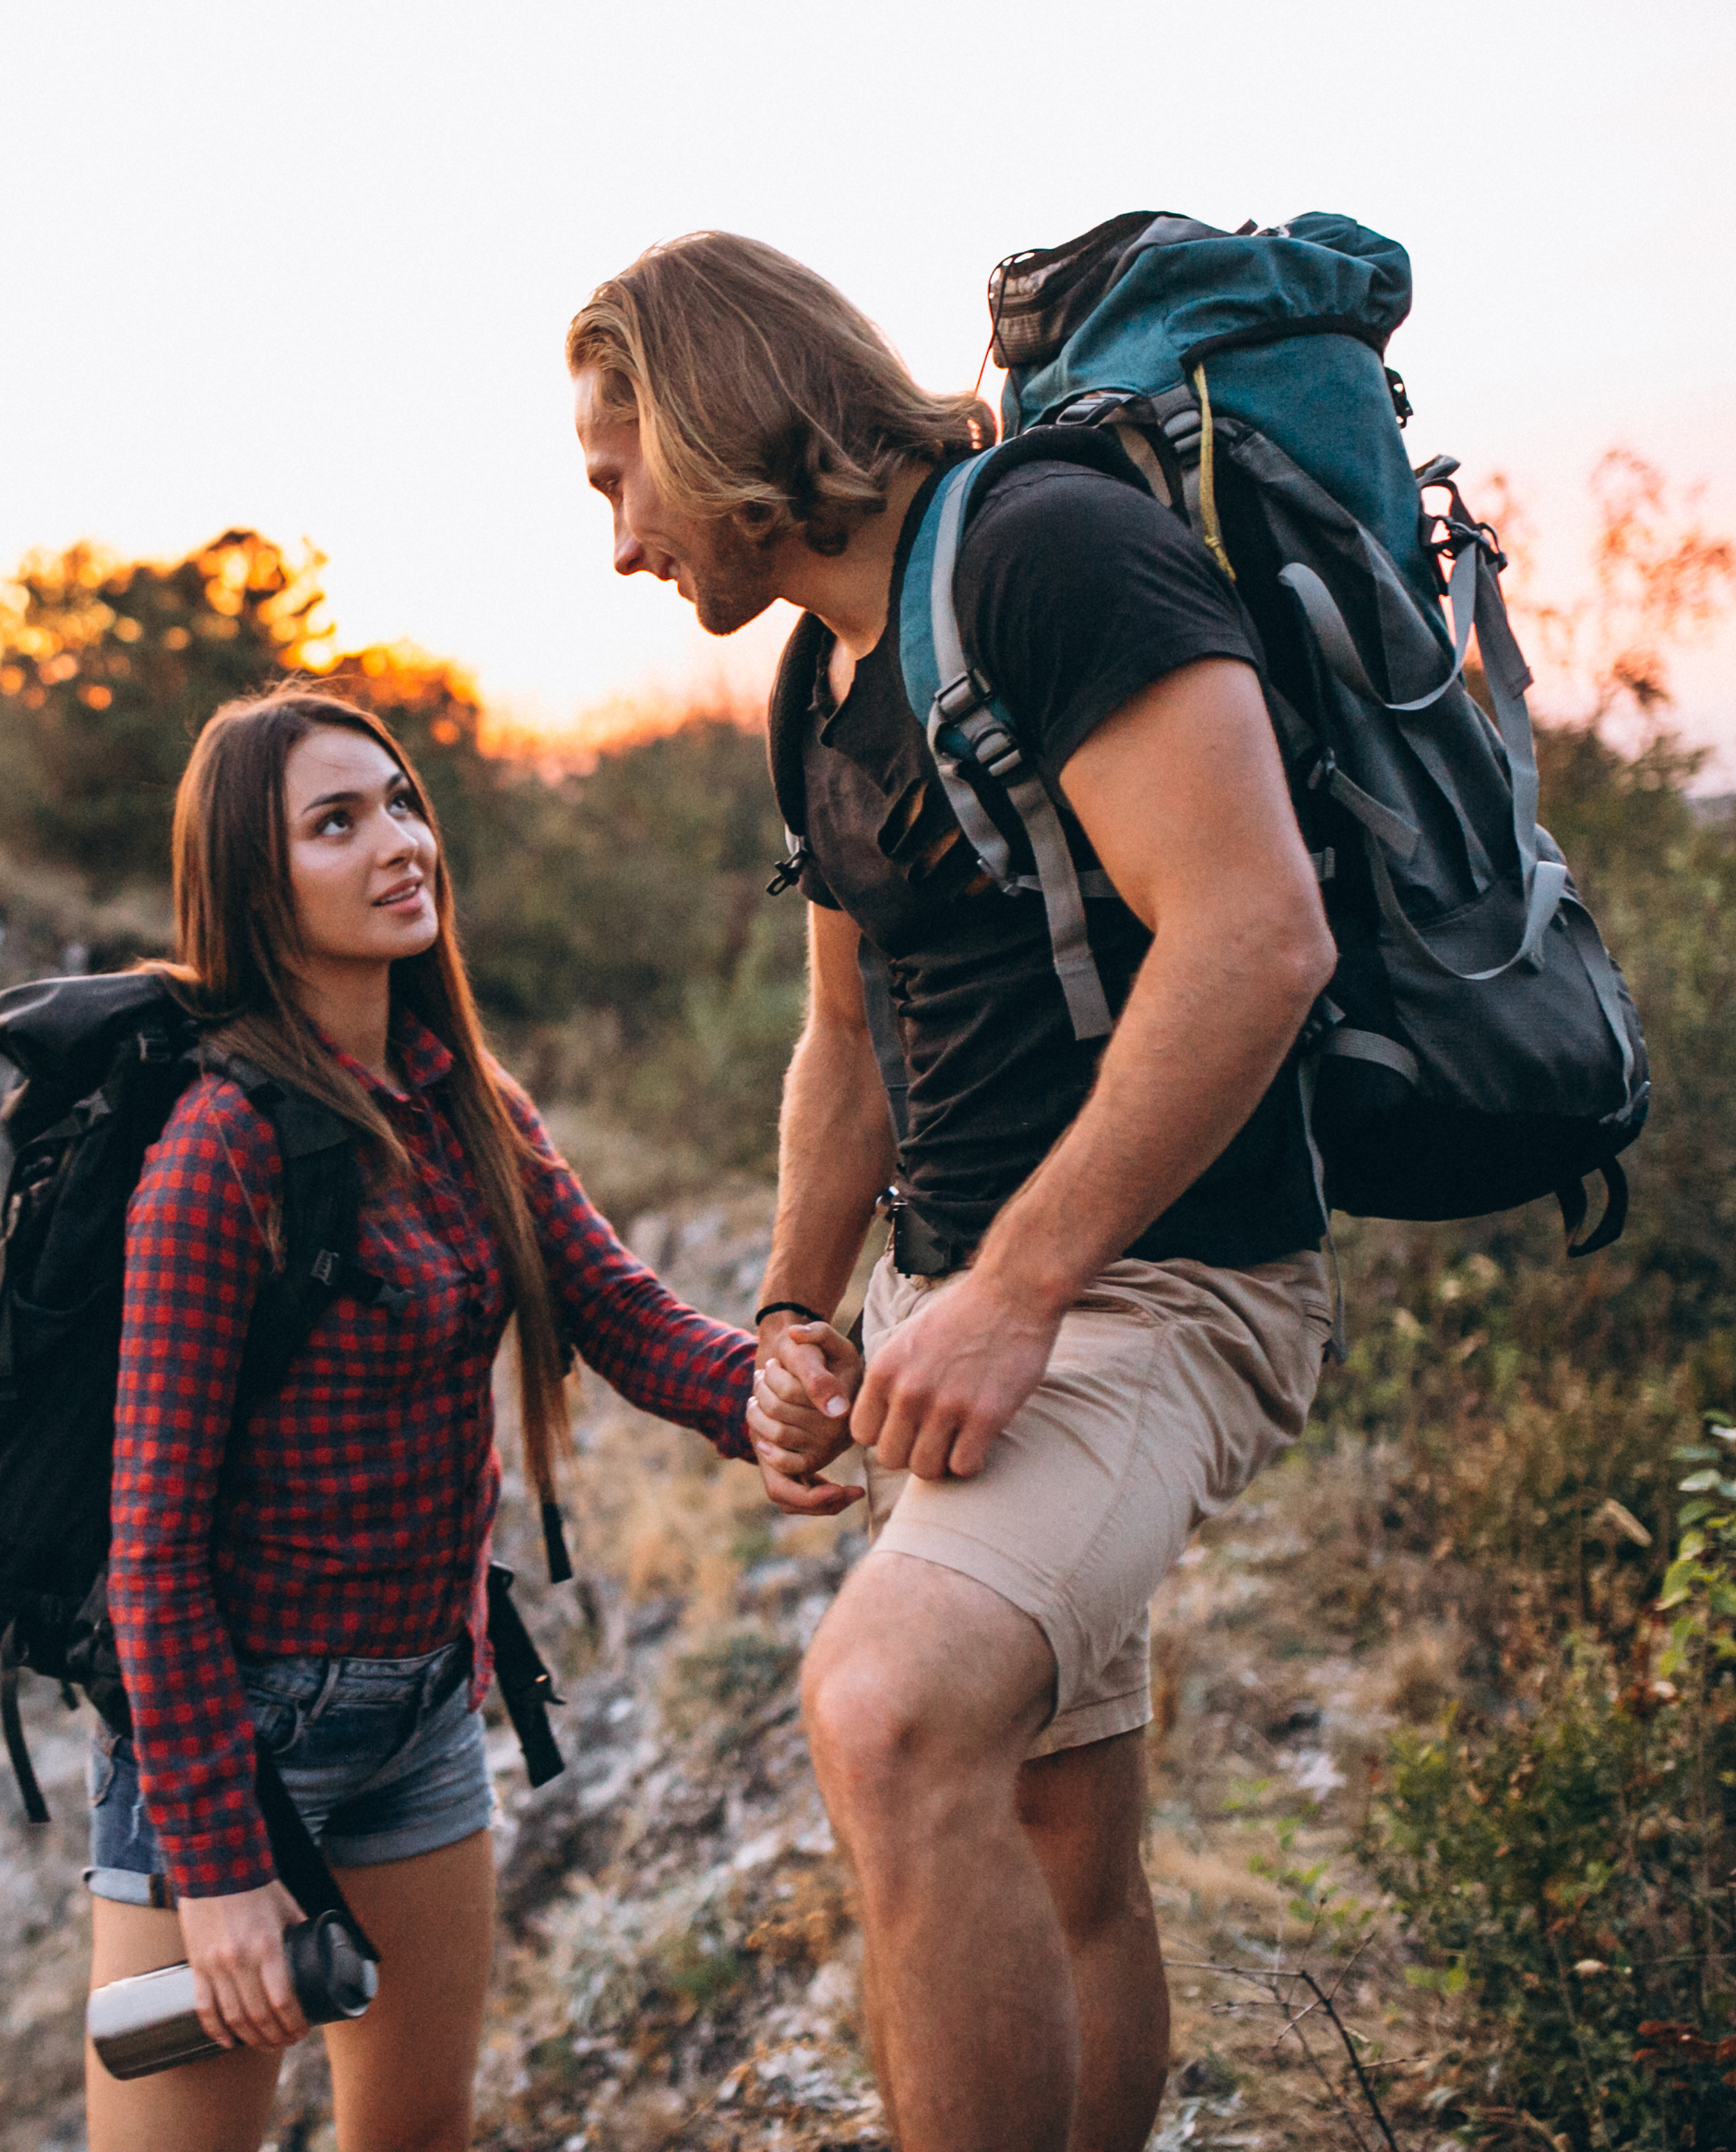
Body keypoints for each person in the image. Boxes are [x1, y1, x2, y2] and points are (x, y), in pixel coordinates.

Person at [568, 232, 1338, 2152]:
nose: (618, 544)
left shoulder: (1044, 555)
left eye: (616, 479)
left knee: (889, 1714)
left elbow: (1252, 937)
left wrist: (1008, 1295)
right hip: (968, 1305)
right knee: (1050, 1846)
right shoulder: (823, 674)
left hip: (1162, 1295)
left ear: (709, 421)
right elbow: (848, 1041)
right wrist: (795, 1314)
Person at [87, 689, 852, 2151]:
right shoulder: (215, 1156)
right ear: (257, 886)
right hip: (233, 1733)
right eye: (337, 822)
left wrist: (762, 1397)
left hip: (424, 1710)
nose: (399, 842)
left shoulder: (462, 1098)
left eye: (399, 803)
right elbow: (150, 1547)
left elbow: (619, 1310)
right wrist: (221, 1862)